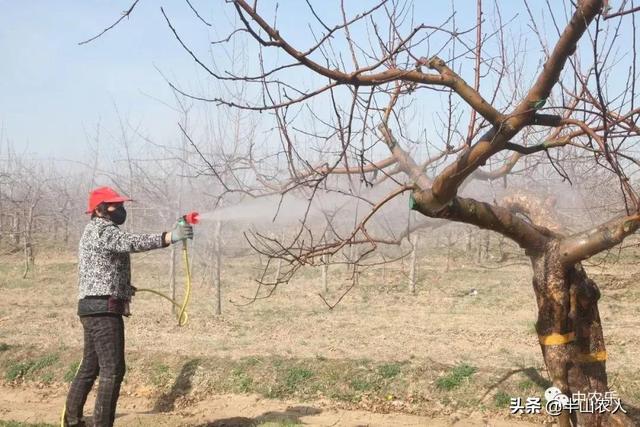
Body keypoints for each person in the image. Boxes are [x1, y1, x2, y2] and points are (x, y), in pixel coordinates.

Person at [63, 186, 193, 427]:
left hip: (93, 307)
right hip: (103, 311)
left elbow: (102, 268)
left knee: (90, 368)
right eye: (116, 205)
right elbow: (130, 242)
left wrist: (124, 288)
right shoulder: (102, 230)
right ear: (100, 209)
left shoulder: (94, 230)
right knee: (113, 371)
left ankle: (73, 421)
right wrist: (169, 237)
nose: (121, 209)